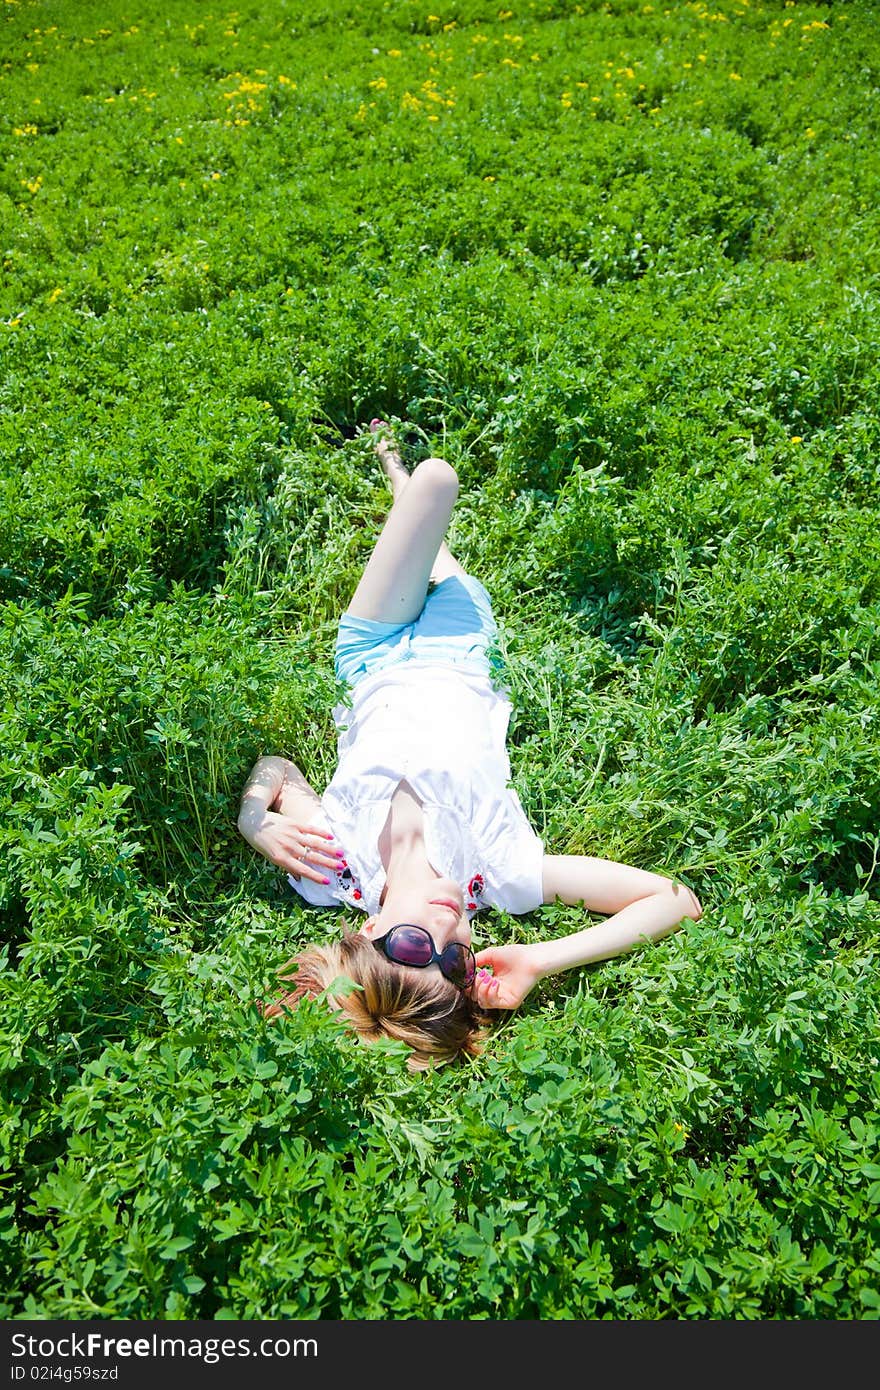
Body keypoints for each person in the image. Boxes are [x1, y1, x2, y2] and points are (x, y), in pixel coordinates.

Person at [238, 420, 703, 1069]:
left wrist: (255, 816)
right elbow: (677, 902)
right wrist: (540, 959)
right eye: (455, 958)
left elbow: (279, 769)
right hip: (463, 653)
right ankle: (399, 483)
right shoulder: (502, 871)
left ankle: (396, 476)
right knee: (436, 501)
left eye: (408, 948)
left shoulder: (330, 868)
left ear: (370, 932)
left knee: (431, 485)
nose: (446, 930)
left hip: (372, 653)